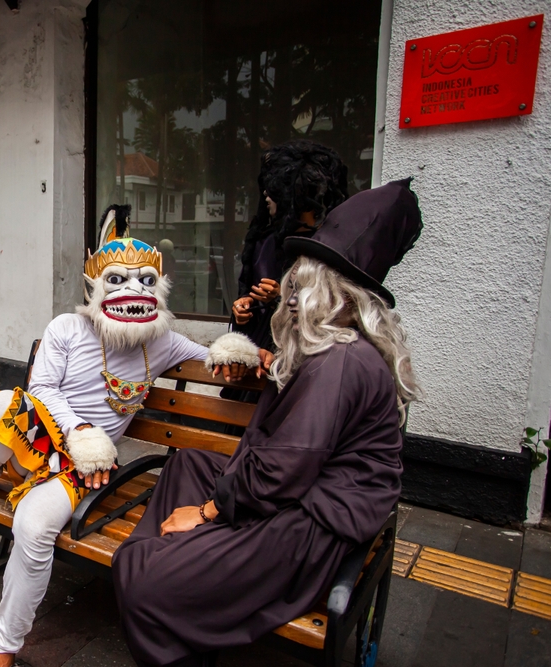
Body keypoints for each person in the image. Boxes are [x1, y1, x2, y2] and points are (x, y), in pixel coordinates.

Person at [112, 179, 424, 667]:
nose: (292, 298)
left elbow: (285, 469)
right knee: (189, 465)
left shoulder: (340, 360)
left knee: (145, 581)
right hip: (293, 489)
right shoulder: (326, 347)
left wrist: (210, 513)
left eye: (304, 287)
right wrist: (266, 360)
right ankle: (186, 566)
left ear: (337, 296)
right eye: (294, 286)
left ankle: (167, 577)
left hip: (313, 522)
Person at [0, 205, 242, 667]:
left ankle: (3, 648)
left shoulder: (161, 339)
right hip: (42, 437)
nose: (133, 291)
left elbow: (210, 358)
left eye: (145, 281)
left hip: (84, 467)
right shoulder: (67, 327)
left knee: (34, 528)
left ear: (157, 290)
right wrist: (79, 428)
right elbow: (40, 389)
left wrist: (234, 351)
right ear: (96, 287)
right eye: (119, 280)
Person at [232, 141, 348, 351]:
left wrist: (282, 295)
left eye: (274, 188)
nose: (266, 194)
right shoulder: (262, 244)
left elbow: (337, 313)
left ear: (294, 192)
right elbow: (249, 301)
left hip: (303, 356)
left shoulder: (329, 248)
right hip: (258, 359)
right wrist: (242, 311)